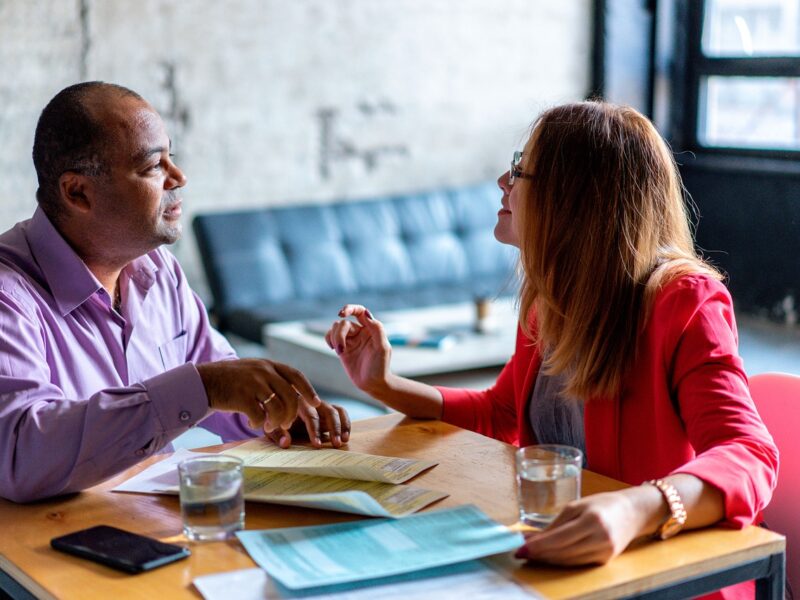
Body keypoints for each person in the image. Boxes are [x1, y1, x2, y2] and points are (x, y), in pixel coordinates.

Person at [325, 102, 777, 599]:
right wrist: (383, 384)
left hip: (661, 576)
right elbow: (501, 413)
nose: (503, 180)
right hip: (564, 567)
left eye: (520, 168)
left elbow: (749, 453)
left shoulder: (684, 300)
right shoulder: (549, 300)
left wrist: (635, 508)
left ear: (576, 196)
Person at [0, 82, 350, 504]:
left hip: (145, 526)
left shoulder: (157, 270)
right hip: (40, 554)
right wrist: (204, 387)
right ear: (78, 192)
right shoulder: (9, 295)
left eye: (173, 157)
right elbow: (20, 453)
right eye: (153, 167)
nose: (179, 178)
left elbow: (220, 378)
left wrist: (277, 413)